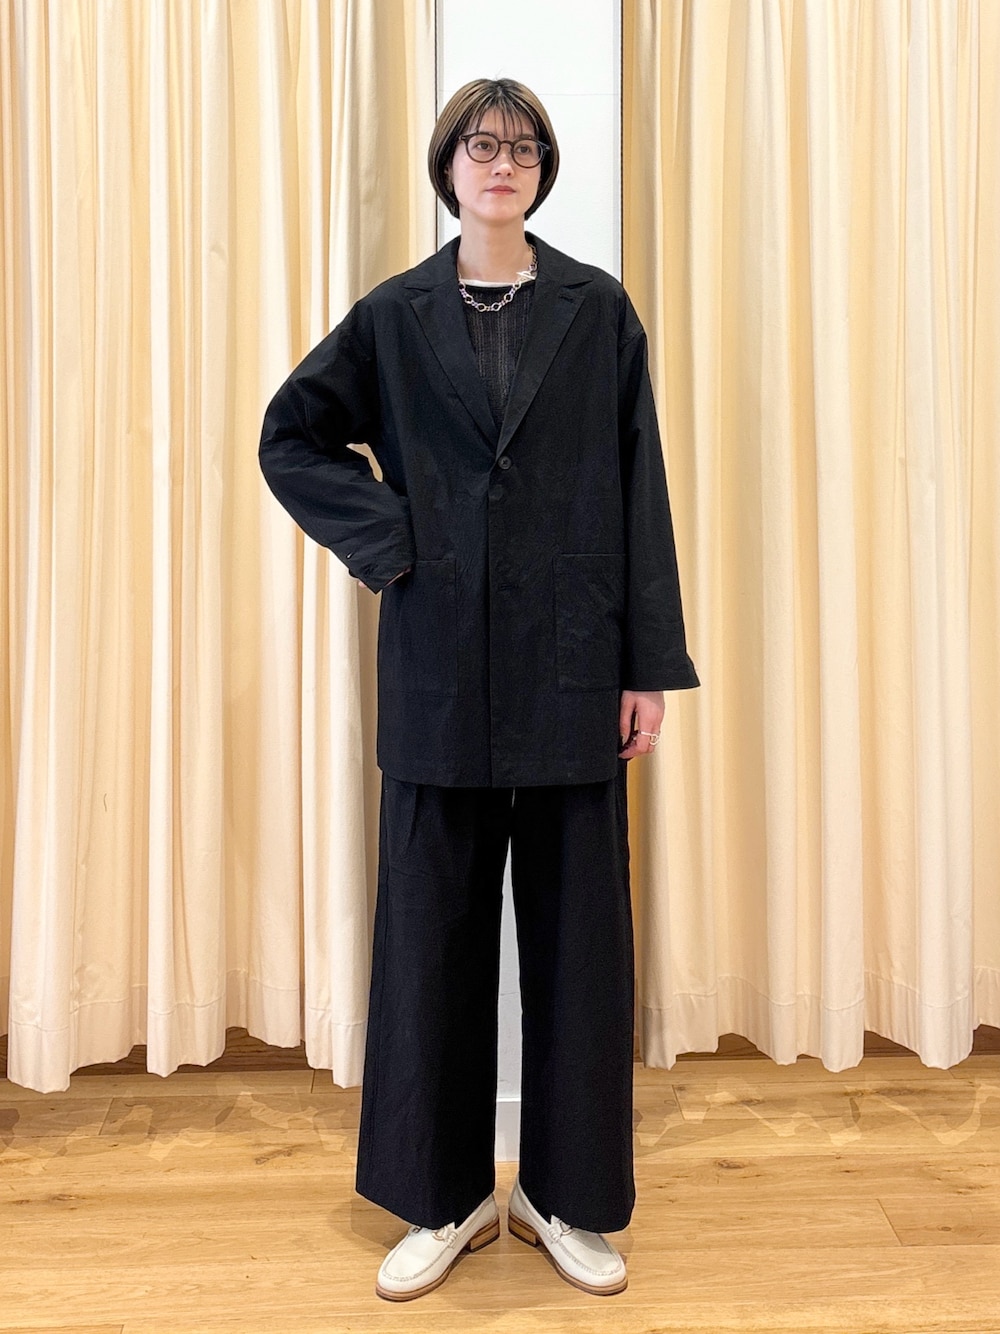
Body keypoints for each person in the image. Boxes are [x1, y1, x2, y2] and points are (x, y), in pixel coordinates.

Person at [259, 76, 698, 1303]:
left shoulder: (597, 312)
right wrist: (390, 538)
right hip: (439, 671)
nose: (501, 163)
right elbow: (290, 436)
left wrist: (646, 665)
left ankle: (566, 1195)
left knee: (578, 946)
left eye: (522, 148)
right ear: (448, 167)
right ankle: (441, 1196)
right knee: (429, 941)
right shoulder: (393, 316)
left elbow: (640, 491)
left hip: (572, 669)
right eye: (480, 145)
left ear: (540, 172)